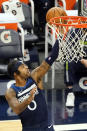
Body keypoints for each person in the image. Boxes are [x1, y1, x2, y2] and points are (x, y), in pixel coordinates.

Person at [5, 40, 59, 131]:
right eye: (22, 67)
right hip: (29, 128)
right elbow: (17, 109)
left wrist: (60, 39)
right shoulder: (11, 92)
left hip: (46, 126)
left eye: (25, 65)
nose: (26, 67)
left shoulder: (34, 76)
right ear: (15, 74)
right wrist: (29, 99)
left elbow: (52, 57)